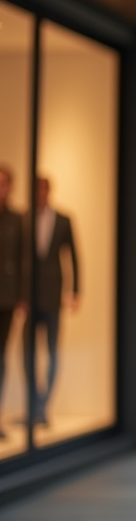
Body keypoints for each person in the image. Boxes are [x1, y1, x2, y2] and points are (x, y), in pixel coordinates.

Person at [28, 176, 77, 426]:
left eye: (43, 189)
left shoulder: (63, 220)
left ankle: (43, 406)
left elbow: (74, 256)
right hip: (29, 296)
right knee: (27, 353)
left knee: (52, 351)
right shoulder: (25, 218)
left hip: (53, 295)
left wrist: (75, 290)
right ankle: (34, 403)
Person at [0, 166, 26, 439]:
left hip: (6, 299)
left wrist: (22, 296)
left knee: (1, 356)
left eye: (4, 184)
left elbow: (23, 260)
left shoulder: (17, 220)